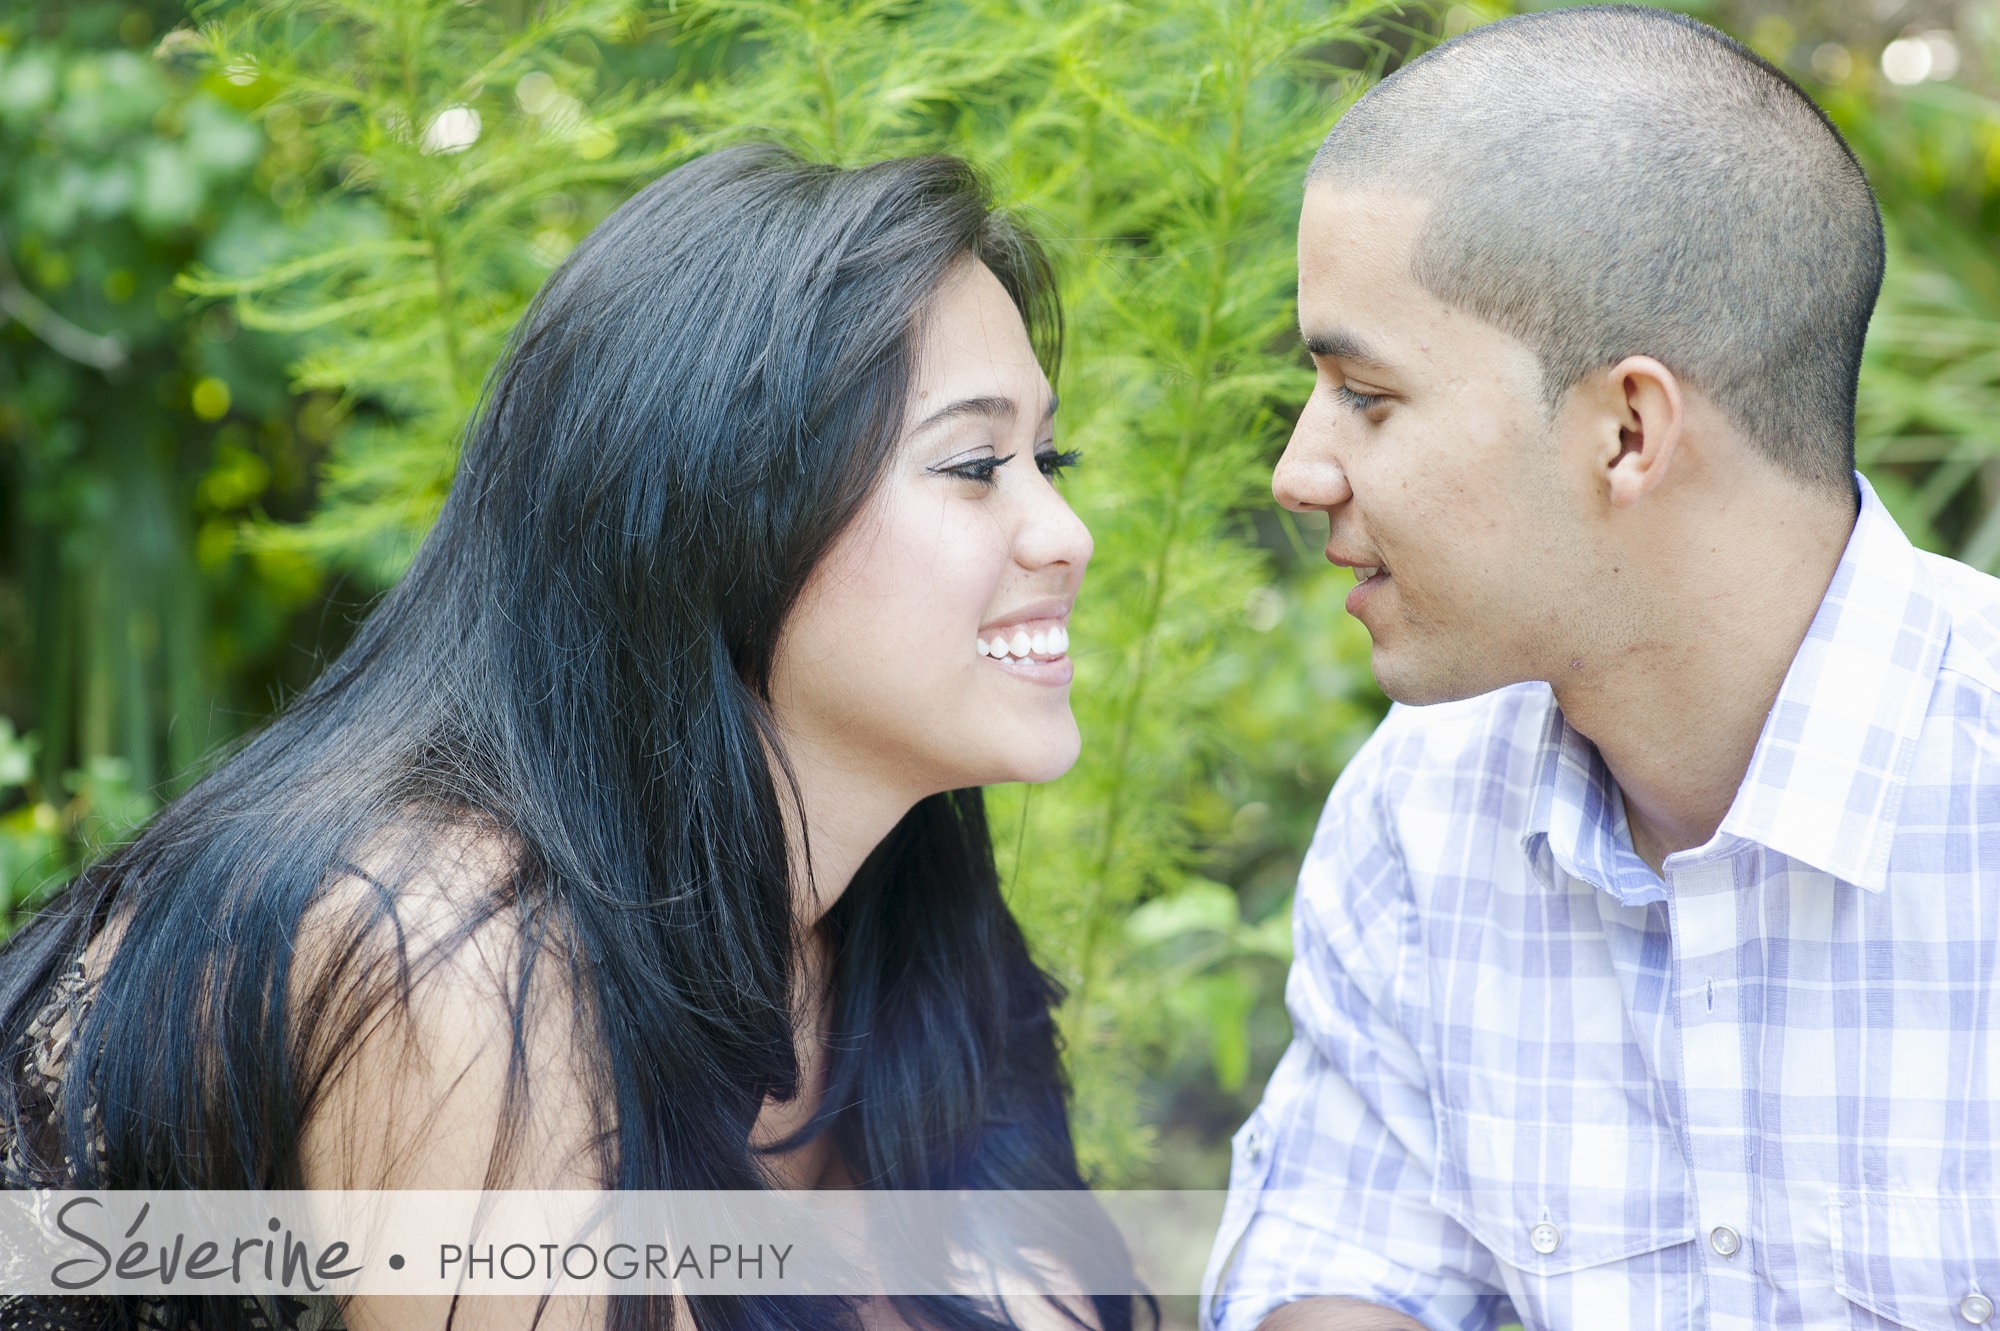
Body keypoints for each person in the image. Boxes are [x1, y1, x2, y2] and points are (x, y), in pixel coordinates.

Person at [0, 146, 1124, 1331]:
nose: (1066, 531)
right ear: (719, 516)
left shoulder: (895, 930)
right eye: (972, 464)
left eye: (1047, 459)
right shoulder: (444, 934)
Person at [1203, 7, 2000, 1329]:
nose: (1301, 470)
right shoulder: (1425, 808)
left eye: (1369, 395)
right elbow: (1340, 1256)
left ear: (1628, 430)